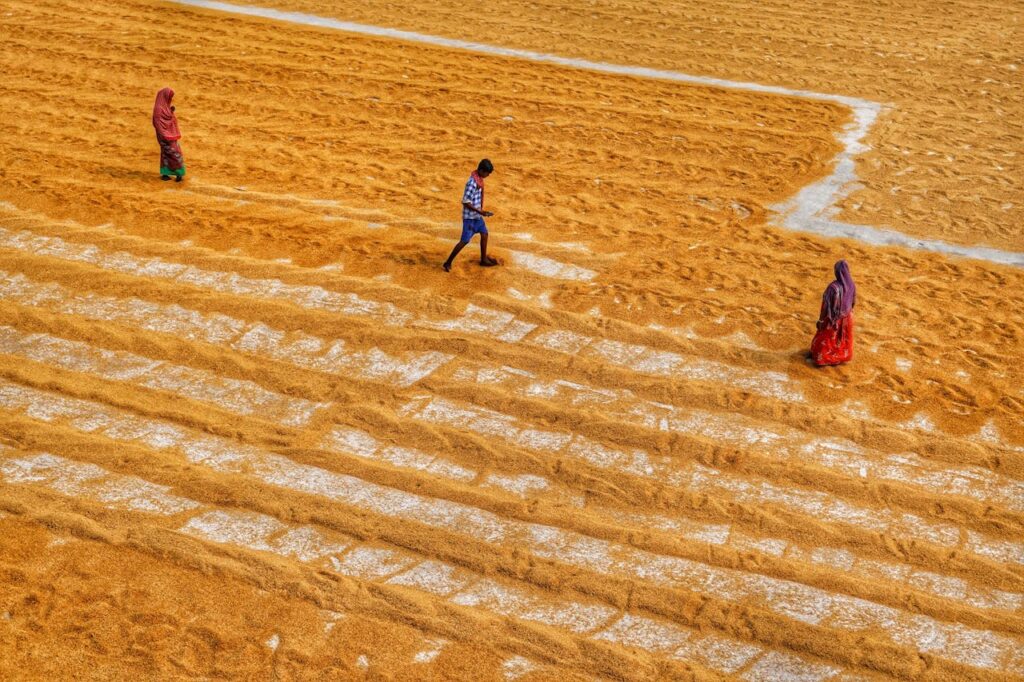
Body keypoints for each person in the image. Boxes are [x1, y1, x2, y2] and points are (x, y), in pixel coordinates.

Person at [443, 158, 498, 272]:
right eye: (487, 173)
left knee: (484, 234)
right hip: (470, 217)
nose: (488, 175)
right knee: (464, 241)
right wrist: (480, 211)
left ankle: (483, 259)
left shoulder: (478, 180)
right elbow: (465, 201)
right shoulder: (472, 183)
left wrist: (480, 212)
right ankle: (448, 262)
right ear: (482, 171)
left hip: (476, 216)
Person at [810, 259, 856, 366]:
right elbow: (853, 302)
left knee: (826, 339)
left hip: (833, 319)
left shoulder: (833, 288)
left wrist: (821, 320)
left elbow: (826, 307)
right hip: (847, 317)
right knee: (841, 340)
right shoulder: (851, 285)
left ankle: (822, 359)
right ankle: (839, 358)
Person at [153, 87, 186, 182]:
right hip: (164, 136)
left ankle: (165, 173)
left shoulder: (164, 106)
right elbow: (157, 122)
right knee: (175, 152)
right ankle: (179, 174)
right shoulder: (159, 109)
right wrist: (164, 134)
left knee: (166, 153)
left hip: (168, 135)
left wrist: (171, 111)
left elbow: (167, 118)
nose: (170, 99)